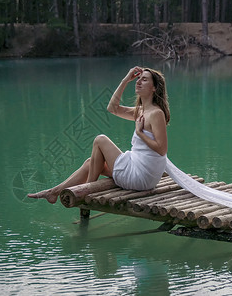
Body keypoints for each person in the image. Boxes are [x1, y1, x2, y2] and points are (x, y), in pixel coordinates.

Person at [27, 66, 170, 204]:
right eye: (138, 79)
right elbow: (112, 108)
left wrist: (139, 132)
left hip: (141, 177)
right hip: (139, 171)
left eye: (144, 80)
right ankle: (54, 192)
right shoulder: (141, 111)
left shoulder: (156, 113)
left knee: (100, 140)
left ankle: (87, 190)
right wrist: (125, 80)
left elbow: (162, 149)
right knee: (91, 163)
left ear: (154, 88)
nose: (138, 81)